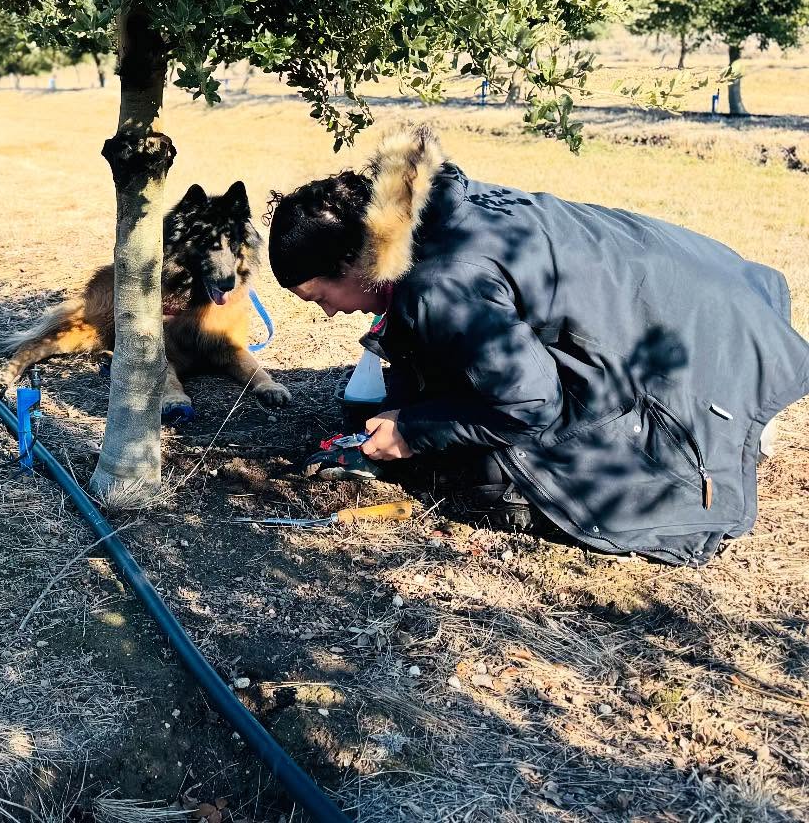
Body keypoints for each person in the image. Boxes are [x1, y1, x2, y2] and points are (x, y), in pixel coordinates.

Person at [266, 126, 809, 566]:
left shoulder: (443, 281)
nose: (329, 313)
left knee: (484, 477)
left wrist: (413, 431)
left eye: (321, 297)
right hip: (724, 312)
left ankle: (733, 439)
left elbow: (530, 405)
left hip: (705, 372)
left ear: (353, 262)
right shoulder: (442, 214)